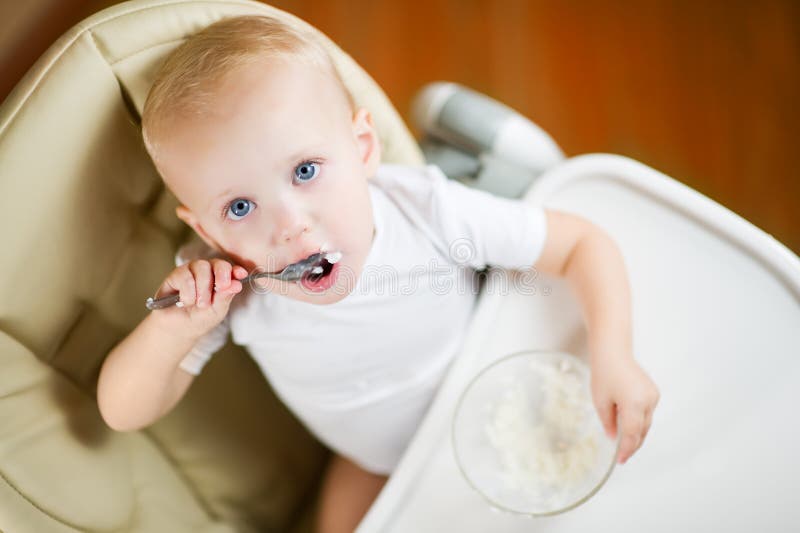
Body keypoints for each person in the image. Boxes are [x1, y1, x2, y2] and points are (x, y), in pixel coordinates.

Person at [96, 14, 659, 533]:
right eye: (240, 208)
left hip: (498, 377)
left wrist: (615, 353)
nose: (290, 226)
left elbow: (582, 244)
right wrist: (175, 329)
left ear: (363, 148)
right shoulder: (224, 291)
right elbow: (123, 411)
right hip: (379, 459)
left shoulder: (423, 209)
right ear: (208, 230)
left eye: (306, 170)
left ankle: (505, 161)